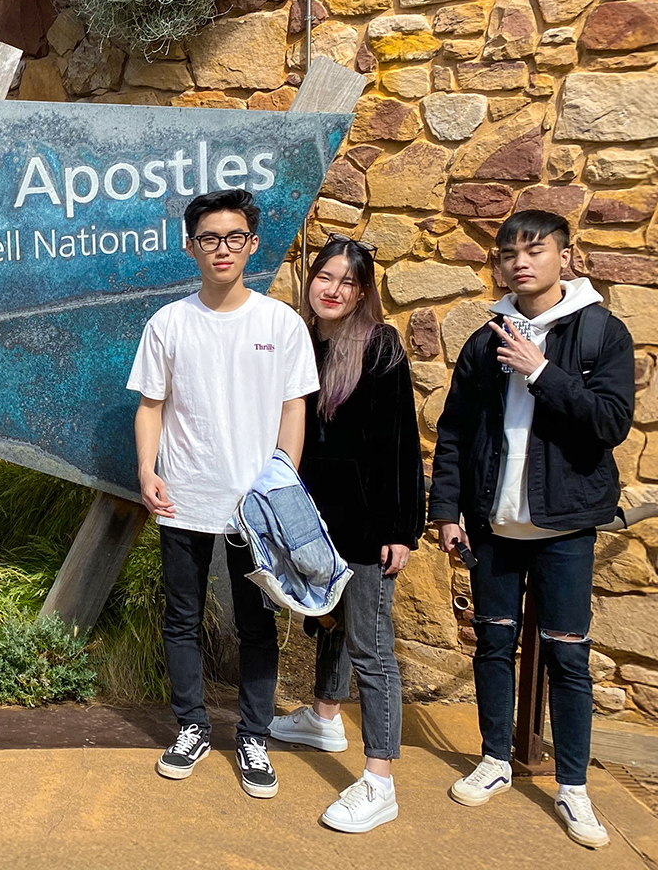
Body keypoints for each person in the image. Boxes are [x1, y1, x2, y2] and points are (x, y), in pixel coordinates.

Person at [430, 210, 634, 849]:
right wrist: (446, 511)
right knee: (492, 645)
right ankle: (495, 758)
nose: (520, 262)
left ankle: (573, 786)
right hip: (493, 525)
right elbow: (456, 430)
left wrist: (541, 371)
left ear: (565, 258)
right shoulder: (485, 338)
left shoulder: (600, 332)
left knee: (568, 657)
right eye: (508, 252)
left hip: (565, 527)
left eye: (535, 250)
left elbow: (610, 423)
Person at [128, 189, 319, 797]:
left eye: (234, 237)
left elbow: (294, 407)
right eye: (209, 238)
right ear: (190, 247)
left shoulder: (280, 323)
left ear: (252, 244)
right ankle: (191, 727)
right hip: (183, 497)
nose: (222, 249)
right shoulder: (169, 322)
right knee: (182, 618)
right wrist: (147, 470)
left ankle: (253, 736)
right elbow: (150, 406)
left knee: (257, 624)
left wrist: (281, 484)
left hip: (256, 507)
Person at [266, 234, 423, 833]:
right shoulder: (301, 341)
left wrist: (400, 530)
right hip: (314, 518)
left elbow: (400, 444)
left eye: (347, 282)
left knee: (371, 647)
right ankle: (324, 717)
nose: (332, 290)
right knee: (327, 619)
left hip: (366, 525)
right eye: (324, 277)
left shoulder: (379, 347)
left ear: (362, 293)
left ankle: (380, 781)